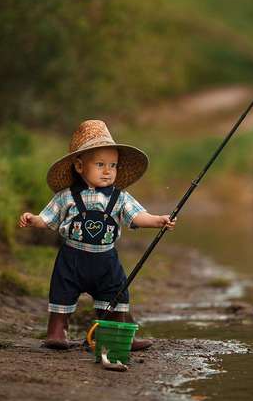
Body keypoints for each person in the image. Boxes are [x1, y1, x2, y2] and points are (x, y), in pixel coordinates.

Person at [18, 120, 175, 350]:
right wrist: (34, 220)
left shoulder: (120, 197)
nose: (107, 171)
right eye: (100, 164)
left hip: (106, 260)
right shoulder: (67, 196)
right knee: (62, 292)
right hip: (72, 258)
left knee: (115, 293)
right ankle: (57, 331)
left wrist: (157, 220)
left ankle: (117, 335)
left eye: (113, 165)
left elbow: (137, 216)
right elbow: (49, 219)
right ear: (80, 167)